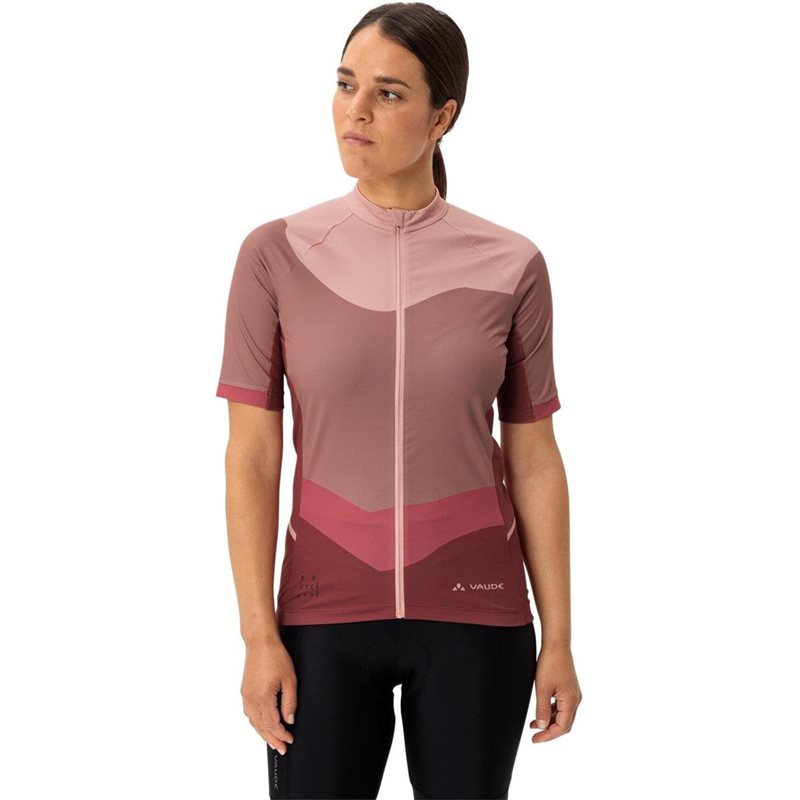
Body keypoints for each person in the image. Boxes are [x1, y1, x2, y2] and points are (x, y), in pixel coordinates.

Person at [215, 3, 582, 798]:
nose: (355, 110)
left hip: (478, 616)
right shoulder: (275, 255)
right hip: (320, 618)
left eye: (387, 93)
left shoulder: (512, 263)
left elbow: (533, 455)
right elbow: (252, 455)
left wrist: (559, 638)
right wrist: (257, 635)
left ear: (442, 117)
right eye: (346, 84)